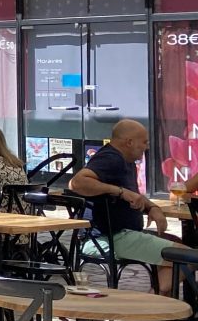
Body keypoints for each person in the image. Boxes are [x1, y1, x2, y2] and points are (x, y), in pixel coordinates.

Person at [69, 119, 192, 294]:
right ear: (129, 142)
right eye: (144, 142)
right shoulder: (111, 159)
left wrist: (152, 208)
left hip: (122, 235)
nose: (147, 146)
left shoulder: (126, 161)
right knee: (189, 257)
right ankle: (152, 302)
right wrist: (119, 191)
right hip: (108, 238)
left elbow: (134, 195)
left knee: (176, 244)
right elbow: (77, 183)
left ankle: (161, 300)